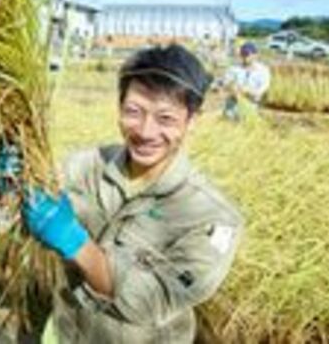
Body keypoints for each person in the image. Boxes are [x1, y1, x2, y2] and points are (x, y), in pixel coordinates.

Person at [22, 44, 243, 343]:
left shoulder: (213, 219)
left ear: (191, 121)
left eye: (165, 119)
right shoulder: (85, 166)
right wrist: (11, 190)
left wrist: (75, 243)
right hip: (65, 332)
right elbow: (23, 225)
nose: (146, 131)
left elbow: (149, 302)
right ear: (119, 107)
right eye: (133, 112)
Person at [222, 41, 271, 121]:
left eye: (247, 54)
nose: (244, 56)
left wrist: (247, 91)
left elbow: (261, 91)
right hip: (231, 107)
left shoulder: (263, 71)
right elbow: (225, 84)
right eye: (242, 54)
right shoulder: (234, 69)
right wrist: (231, 87)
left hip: (251, 108)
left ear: (255, 55)